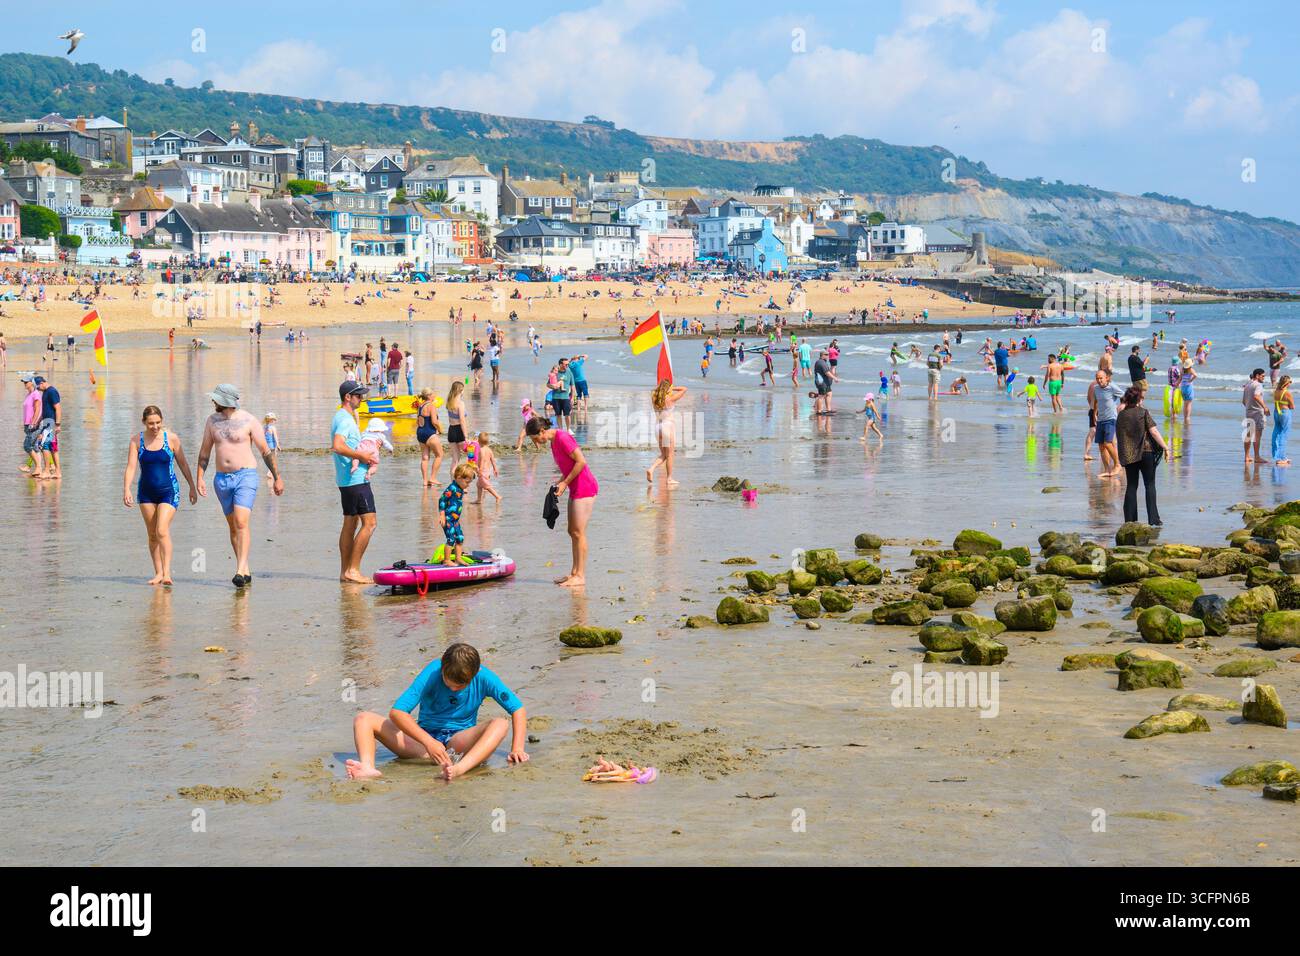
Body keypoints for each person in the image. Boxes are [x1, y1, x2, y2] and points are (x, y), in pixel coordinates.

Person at [346, 642, 528, 783]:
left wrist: (517, 748)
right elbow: (398, 712)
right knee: (363, 719)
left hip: (457, 744)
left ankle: (460, 769)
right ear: (442, 666)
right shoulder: (432, 672)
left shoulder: (485, 677)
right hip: (423, 744)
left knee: (501, 723)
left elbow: (517, 709)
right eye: (448, 683)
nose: (453, 689)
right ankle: (368, 768)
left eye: (460, 686)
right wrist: (428, 742)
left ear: (475, 673)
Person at [196, 383, 283, 588]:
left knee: (242, 522)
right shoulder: (212, 421)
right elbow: (205, 452)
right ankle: (244, 568)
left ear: (225, 400)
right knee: (233, 526)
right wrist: (200, 477)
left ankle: (240, 570)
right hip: (221, 479)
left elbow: (265, 451)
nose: (213, 401)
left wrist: (277, 476)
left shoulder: (249, 420)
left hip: (246, 475)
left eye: (216, 398)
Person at [122, 405, 198, 585]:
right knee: (152, 534)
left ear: (161, 421)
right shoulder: (136, 441)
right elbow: (131, 467)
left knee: (162, 530)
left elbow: (183, 464)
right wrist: (126, 489)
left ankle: (167, 573)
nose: (155, 427)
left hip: (168, 491)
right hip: (146, 492)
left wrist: (192, 486)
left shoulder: (171, 439)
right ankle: (157, 573)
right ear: (144, 422)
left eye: (158, 423)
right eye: (150, 424)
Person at [527, 415, 597, 587]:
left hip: (585, 487)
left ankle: (581, 576)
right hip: (575, 488)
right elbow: (568, 465)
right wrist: (560, 482)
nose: (536, 442)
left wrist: (565, 483)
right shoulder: (553, 442)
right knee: (572, 531)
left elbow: (581, 461)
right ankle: (574, 573)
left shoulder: (563, 438)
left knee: (579, 532)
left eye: (536, 438)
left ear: (542, 431)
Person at [333, 381, 379, 585]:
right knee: (370, 523)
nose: (361, 399)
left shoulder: (341, 417)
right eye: (358, 396)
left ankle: (345, 572)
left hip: (346, 480)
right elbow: (337, 446)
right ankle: (353, 570)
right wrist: (360, 455)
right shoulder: (345, 419)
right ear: (347, 398)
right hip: (356, 480)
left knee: (350, 523)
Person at [1116, 385, 1169, 526]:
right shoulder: (1143, 412)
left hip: (1130, 455)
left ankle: (1130, 520)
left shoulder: (1121, 415)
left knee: (1132, 486)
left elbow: (1120, 437)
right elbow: (1154, 432)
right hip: (1147, 453)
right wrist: (1165, 447)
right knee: (1150, 485)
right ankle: (1153, 519)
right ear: (1139, 399)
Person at [646, 379, 688, 486]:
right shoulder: (671, 399)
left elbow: (655, 390)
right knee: (670, 455)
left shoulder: (654, 398)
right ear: (667, 389)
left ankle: (651, 469)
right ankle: (669, 478)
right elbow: (684, 389)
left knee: (664, 454)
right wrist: (672, 388)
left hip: (657, 427)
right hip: (667, 427)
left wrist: (661, 388)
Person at [438, 463, 475, 565]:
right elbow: (441, 500)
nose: (468, 485)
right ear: (459, 478)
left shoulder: (460, 488)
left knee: (460, 538)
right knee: (451, 539)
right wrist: (442, 515)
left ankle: (458, 558)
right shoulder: (452, 488)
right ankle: (446, 560)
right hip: (448, 519)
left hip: (455, 520)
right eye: (467, 482)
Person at [1092, 369, 1125, 478]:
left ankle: (1117, 464)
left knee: (1108, 443)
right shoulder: (1095, 388)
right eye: (1097, 378)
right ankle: (1107, 469)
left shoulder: (1112, 387)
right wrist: (1094, 414)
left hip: (1111, 419)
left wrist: (1122, 406)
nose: (1099, 380)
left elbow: (1124, 396)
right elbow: (1096, 401)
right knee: (1101, 446)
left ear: (1106, 378)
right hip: (1100, 419)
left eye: (1101, 378)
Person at [33, 376, 61, 479]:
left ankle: (47, 471)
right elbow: (46, 410)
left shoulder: (52, 391)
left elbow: (58, 408)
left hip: (51, 423)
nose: (38, 390)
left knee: (45, 445)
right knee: (53, 448)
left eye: (38, 387)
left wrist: (57, 424)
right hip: (47, 422)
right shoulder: (45, 392)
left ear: (41, 383)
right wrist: (39, 421)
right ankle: (58, 472)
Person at [19, 374, 46, 479]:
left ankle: (38, 467)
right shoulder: (28, 395)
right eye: (24, 382)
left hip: (34, 425)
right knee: (34, 447)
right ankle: (38, 469)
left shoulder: (36, 394)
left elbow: (38, 409)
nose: (24, 384)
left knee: (27, 446)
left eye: (26, 382)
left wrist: (33, 423)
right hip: (27, 424)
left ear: (32, 383)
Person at [416, 388, 444, 486]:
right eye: (433, 394)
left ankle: (425, 481)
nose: (435, 395)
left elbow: (417, 421)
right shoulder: (431, 406)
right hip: (429, 433)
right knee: (439, 455)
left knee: (424, 458)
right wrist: (440, 430)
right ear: (429, 396)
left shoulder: (420, 406)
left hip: (420, 432)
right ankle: (432, 478)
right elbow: (434, 422)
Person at [1243, 368, 1271, 464]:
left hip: (1249, 412)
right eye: (1263, 376)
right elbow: (1256, 395)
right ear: (1257, 376)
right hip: (1258, 413)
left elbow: (1244, 401)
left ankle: (1247, 456)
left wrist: (1250, 406)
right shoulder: (1258, 385)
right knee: (1257, 436)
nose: (1264, 378)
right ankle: (1257, 457)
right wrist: (1265, 407)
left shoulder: (1247, 385)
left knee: (1249, 435)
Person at [445, 380, 469, 465]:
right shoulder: (460, 404)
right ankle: (470, 475)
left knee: (455, 459)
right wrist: (466, 436)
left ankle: (453, 478)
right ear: (460, 391)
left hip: (451, 430)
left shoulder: (449, 402)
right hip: (459, 431)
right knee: (471, 455)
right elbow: (462, 421)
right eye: (463, 390)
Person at [472, 433, 501, 504]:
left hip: (482, 471)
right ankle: (479, 499)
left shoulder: (481, 450)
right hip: (487, 471)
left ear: (478, 440)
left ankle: (497, 496)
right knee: (479, 485)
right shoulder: (489, 450)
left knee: (487, 486)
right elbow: (493, 460)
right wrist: (495, 469)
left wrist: (479, 471)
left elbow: (482, 461)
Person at [1273, 375, 1294, 467]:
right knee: (1284, 435)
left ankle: (1276, 456)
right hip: (1285, 413)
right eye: (1290, 382)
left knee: (1276, 433)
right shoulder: (1287, 393)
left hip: (1276, 412)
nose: (1290, 384)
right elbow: (1292, 406)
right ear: (1286, 383)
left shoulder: (1276, 391)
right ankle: (1282, 458)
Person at [262, 412, 280, 479]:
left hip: (265, 446)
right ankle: (269, 473)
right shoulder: (273, 428)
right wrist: (278, 445)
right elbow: (275, 437)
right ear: (271, 420)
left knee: (269, 460)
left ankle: (270, 473)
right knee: (273, 460)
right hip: (272, 446)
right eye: (274, 419)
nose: (274, 421)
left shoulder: (264, 427)